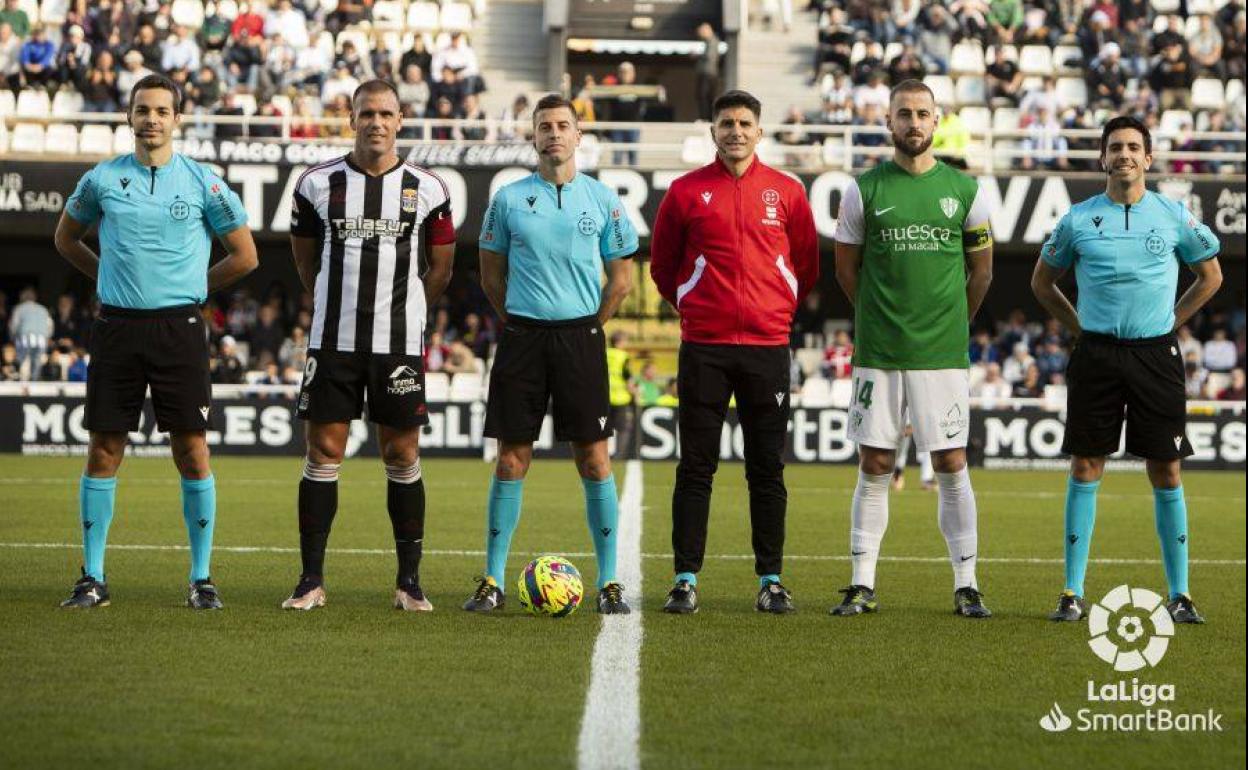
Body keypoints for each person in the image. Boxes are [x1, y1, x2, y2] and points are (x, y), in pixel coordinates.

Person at [53, 74, 257, 609]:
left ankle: (201, 579)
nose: (152, 119)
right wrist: (104, 276)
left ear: (176, 119)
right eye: (143, 109)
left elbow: (245, 255)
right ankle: (92, 577)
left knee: (191, 450)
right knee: (104, 448)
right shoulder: (100, 178)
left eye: (162, 111)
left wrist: (195, 288)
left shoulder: (203, 182)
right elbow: (65, 239)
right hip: (116, 328)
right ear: (129, 116)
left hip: (178, 330)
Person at [1032, 115, 1222, 624]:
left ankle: (1180, 594)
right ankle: (1072, 592)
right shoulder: (1077, 219)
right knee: (1085, 465)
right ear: (1103, 157)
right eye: (1115, 147)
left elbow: (1210, 276)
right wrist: (1077, 327)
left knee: (1166, 468)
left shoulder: (1173, 215)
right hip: (1096, 353)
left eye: (1134, 147)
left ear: (1149, 158)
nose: (1125, 155)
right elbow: (1042, 283)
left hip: (1155, 355)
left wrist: (1172, 321)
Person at [283, 79, 456, 612]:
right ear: (351, 119)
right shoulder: (315, 183)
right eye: (366, 114)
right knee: (322, 453)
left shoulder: (429, 187)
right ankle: (310, 581)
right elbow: (305, 261)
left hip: (397, 343)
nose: (376, 123)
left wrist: (408, 310)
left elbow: (441, 268)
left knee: (401, 454)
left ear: (400, 120)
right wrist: (330, 302)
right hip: (332, 341)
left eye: (385, 114)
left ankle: (409, 582)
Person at [467, 94, 638, 615]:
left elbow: (622, 280)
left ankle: (609, 581)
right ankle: (492, 580)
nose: (554, 134)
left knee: (594, 458)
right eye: (545, 126)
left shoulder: (603, 199)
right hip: (523, 338)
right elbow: (490, 275)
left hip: (580, 339)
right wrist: (519, 319)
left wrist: (588, 325)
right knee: (511, 458)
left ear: (578, 135)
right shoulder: (508, 199)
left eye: (563, 125)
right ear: (534, 136)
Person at [830, 79, 996, 619]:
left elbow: (982, 272)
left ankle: (967, 584)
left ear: (936, 120)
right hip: (880, 350)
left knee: (951, 461)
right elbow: (846, 270)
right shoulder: (863, 190)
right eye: (904, 114)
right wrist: (877, 317)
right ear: (889, 122)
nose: (914, 123)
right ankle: (861, 583)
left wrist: (953, 324)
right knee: (876, 461)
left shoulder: (965, 191)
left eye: (923, 114)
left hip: (941, 353)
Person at [650, 90, 818, 614]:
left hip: (767, 348)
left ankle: (771, 579)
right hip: (704, 347)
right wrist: (694, 304)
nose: (736, 132)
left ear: (759, 131)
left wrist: (776, 308)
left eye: (745, 123)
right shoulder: (684, 191)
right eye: (727, 123)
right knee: (695, 467)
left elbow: (806, 265)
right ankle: (684, 579)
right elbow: (662, 266)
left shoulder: (787, 192)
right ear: (713, 131)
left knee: (766, 469)